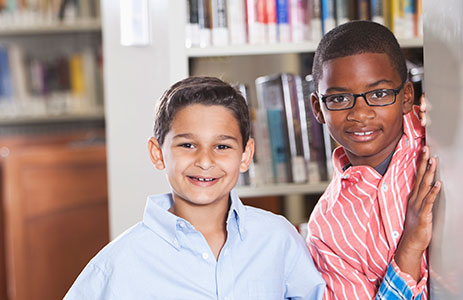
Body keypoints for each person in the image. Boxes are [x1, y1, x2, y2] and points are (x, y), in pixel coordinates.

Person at [63, 76, 325, 299]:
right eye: (188, 145)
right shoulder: (118, 263)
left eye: (222, 146)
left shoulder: (278, 239)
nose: (204, 161)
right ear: (157, 153)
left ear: (245, 155)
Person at [306, 20, 441, 300]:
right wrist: (410, 247)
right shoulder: (327, 228)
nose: (360, 114)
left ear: (406, 96)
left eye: (379, 94)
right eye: (340, 98)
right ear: (318, 109)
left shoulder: (441, 134)